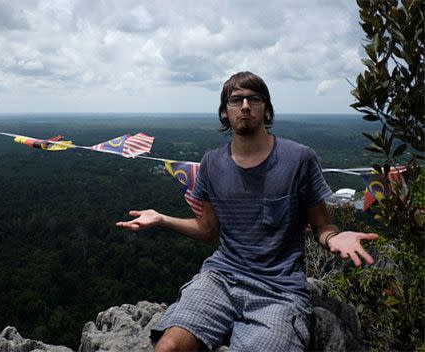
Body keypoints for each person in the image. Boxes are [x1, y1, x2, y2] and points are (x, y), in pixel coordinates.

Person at [116, 71, 379, 352]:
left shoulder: (299, 158)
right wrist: (161, 219)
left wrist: (333, 238)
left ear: (266, 110)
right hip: (221, 277)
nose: (244, 106)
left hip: (278, 290)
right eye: (236, 100)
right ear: (224, 113)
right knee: (168, 347)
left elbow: (321, 226)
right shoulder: (212, 163)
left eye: (254, 99)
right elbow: (207, 230)